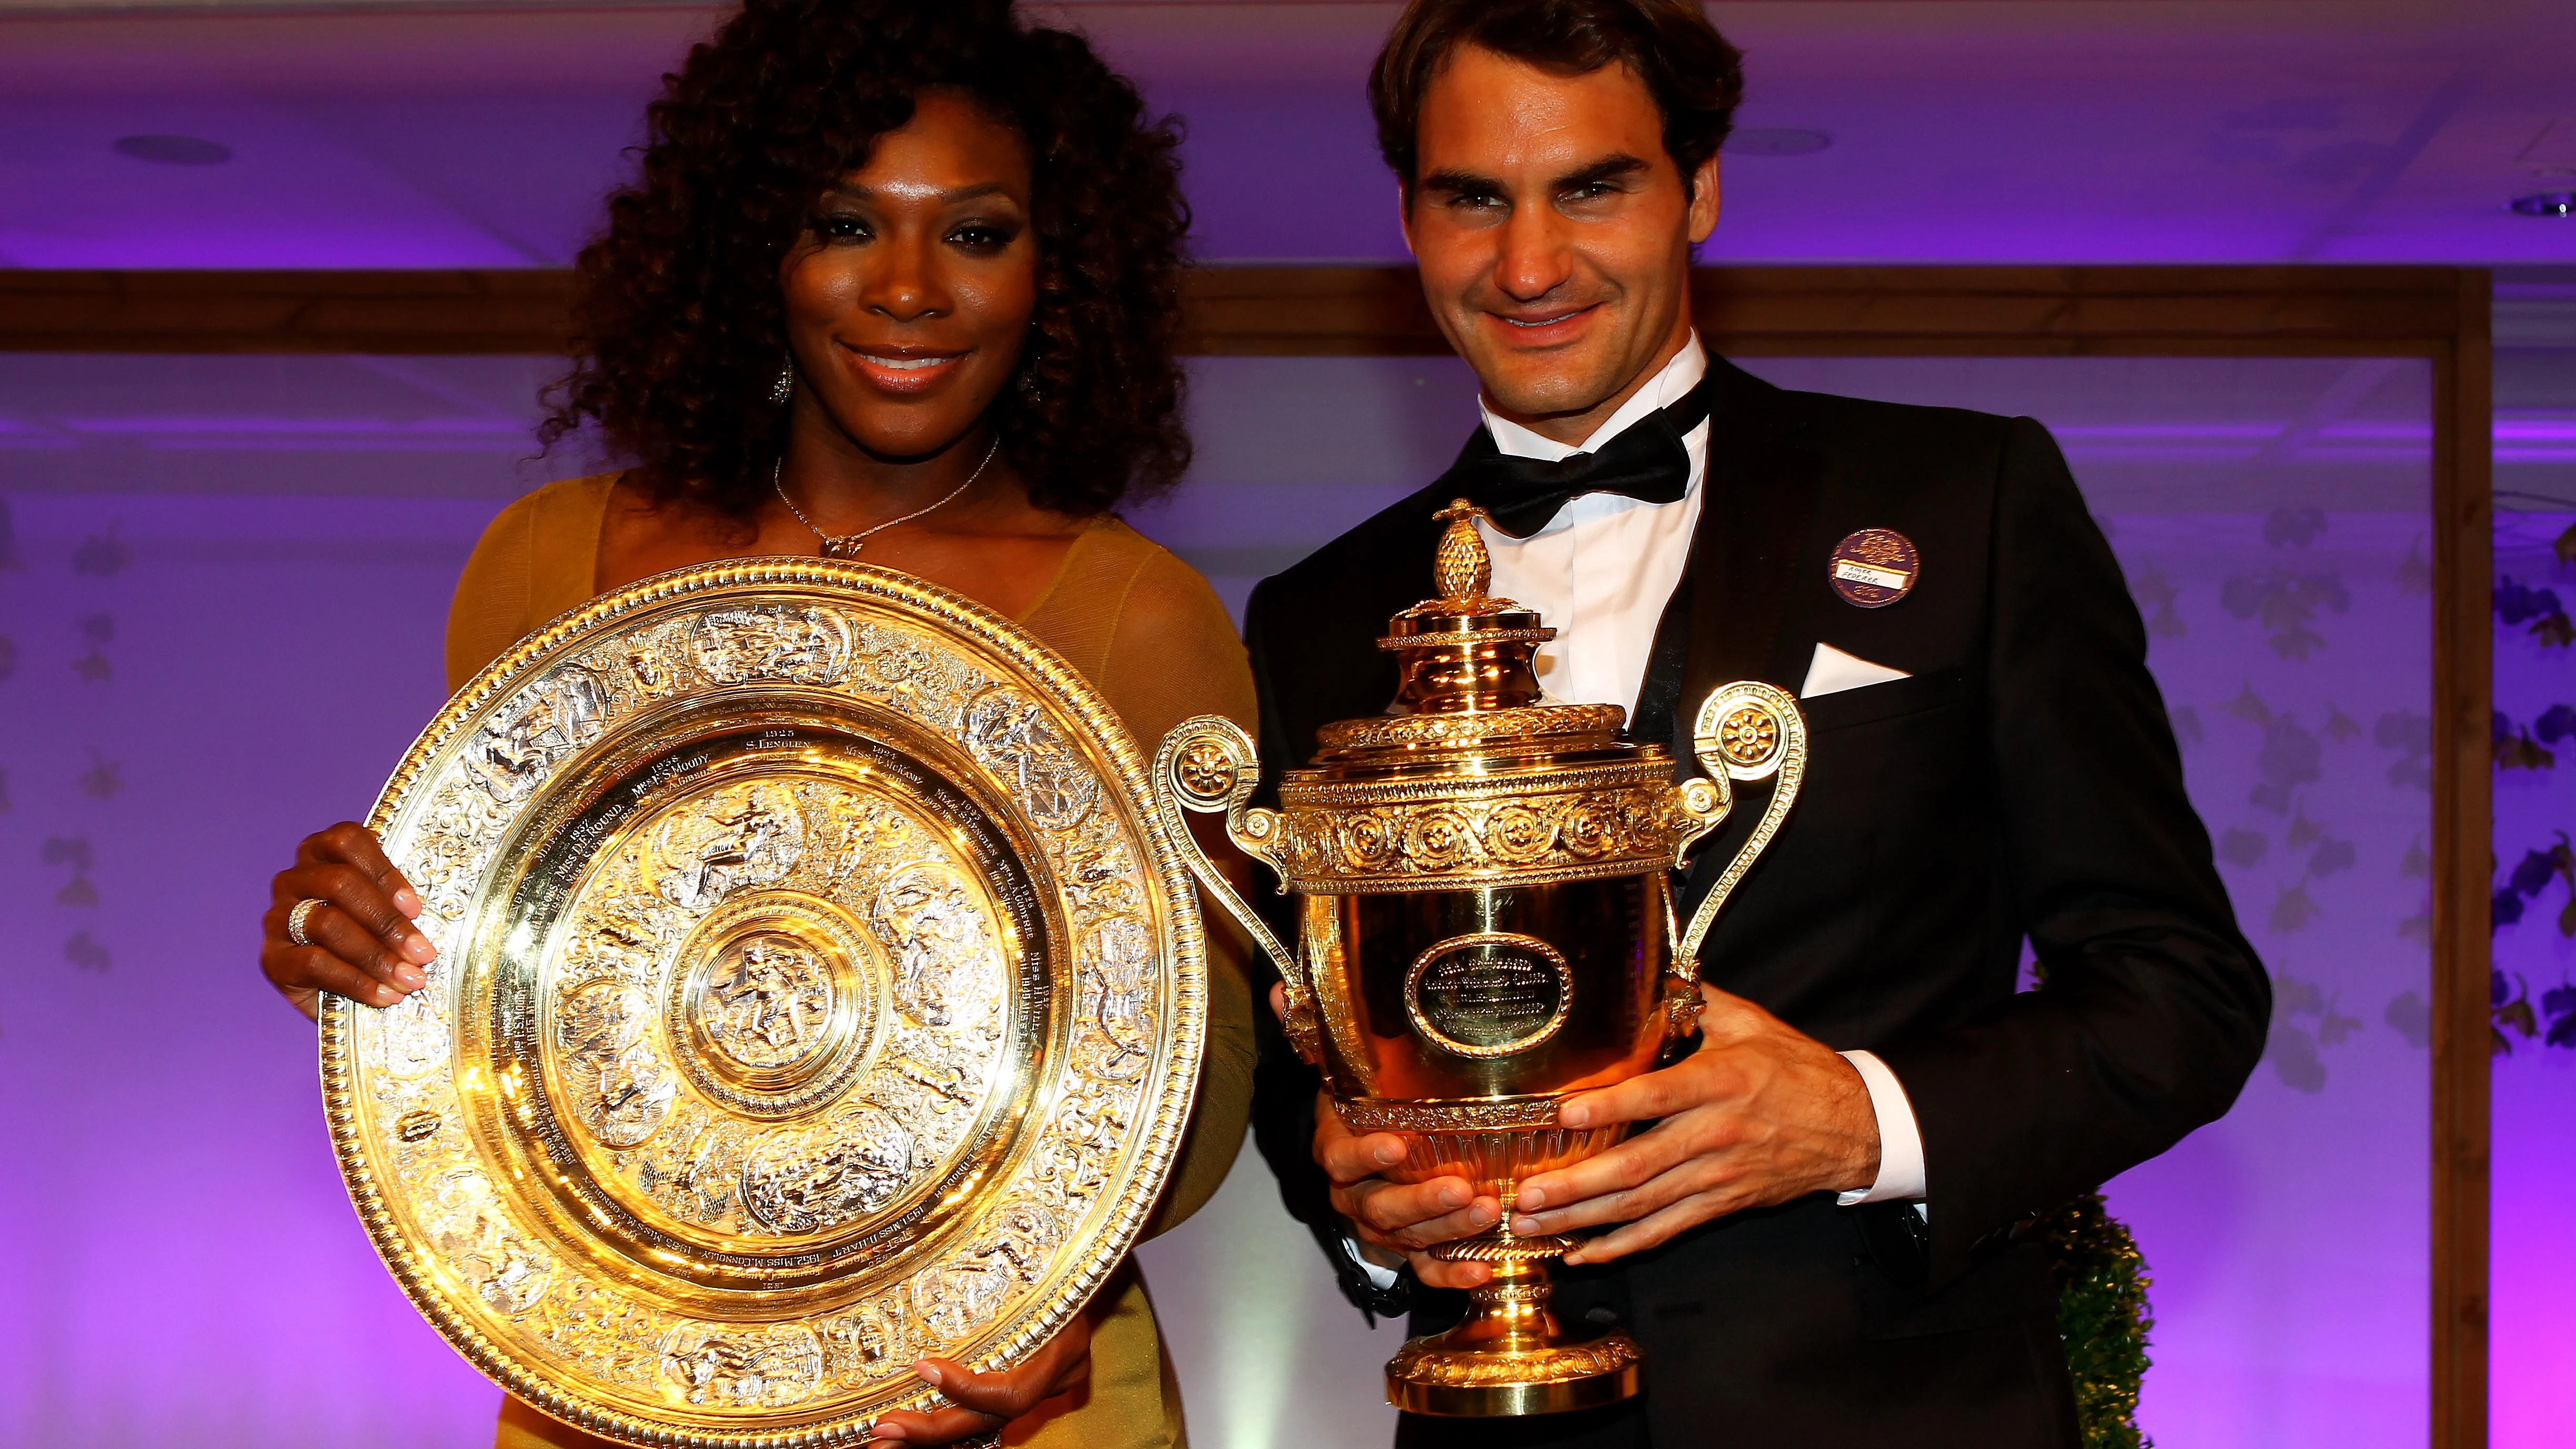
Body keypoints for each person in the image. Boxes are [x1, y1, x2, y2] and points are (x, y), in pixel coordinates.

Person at [1242, 1, 2271, 1444]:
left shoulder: (1963, 502)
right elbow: (1306, 1052)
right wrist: (1364, 1201)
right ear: (1409, 216)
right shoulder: (1316, 611)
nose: (1527, 264)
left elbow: (2184, 994)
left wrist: (1862, 1121)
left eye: (1592, 186)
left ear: (1700, 186)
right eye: (1472, 198)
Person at [257, 3, 1254, 1445]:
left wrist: (1060, 1280)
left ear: (1060, 274)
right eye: (844, 223)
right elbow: (501, 994)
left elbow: (1206, 1073)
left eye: (975, 234)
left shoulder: (1134, 620)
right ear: (756, 252)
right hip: (621, 1382)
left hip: (1000, 1389)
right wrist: (353, 947)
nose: (908, 288)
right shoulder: (553, 566)